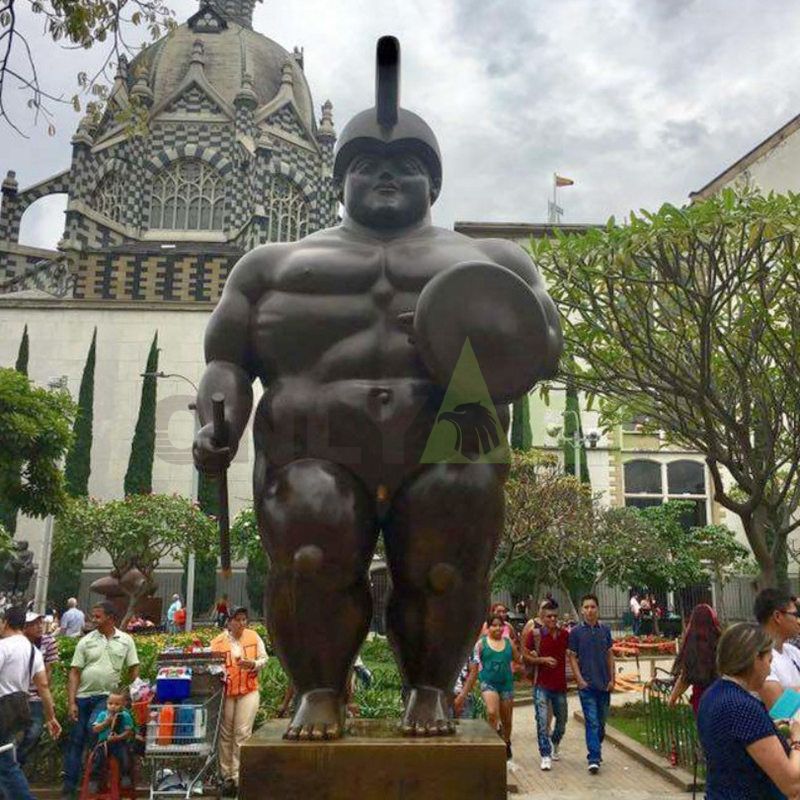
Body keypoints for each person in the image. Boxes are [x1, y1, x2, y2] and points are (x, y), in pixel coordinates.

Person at [192, 37, 562, 742]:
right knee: (309, 556)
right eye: (368, 165)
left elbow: (543, 342)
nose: (387, 177)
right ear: (339, 181)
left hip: (449, 440)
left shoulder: (492, 260)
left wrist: (475, 324)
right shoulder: (273, 264)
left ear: (435, 184)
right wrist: (219, 419)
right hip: (313, 446)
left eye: (405, 167)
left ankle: (429, 688)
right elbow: (226, 358)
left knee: (448, 569)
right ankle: (320, 691)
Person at [697, 622, 800, 799]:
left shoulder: (714, 693)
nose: (769, 670)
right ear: (755, 658)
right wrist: (798, 739)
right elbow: (791, 784)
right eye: (769, 661)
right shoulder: (740, 706)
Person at [62, 601, 140, 800]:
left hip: (106, 699)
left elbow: (133, 668)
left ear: (111, 618)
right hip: (82, 697)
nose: (92, 619)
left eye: (97, 616)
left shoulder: (126, 640)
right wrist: (71, 702)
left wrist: (127, 692)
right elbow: (74, 672)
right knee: (76, 741)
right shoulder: (86, 640)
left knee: (93, 728)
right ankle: (69, 788)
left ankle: (96, 778)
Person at [0, 606, 61, 800]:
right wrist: (51, 717)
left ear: (6, 622)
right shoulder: (33, 651)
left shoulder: (4, 647)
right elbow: (43, 685)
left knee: (6, 764)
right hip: (16, 710)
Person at [211, 607, 268, 797]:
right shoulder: (217, 642)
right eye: (238, 620)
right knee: (226, 733)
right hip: (227, 692)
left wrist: (253, 664)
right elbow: (211, 666)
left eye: (244, 620)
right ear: (229, 622)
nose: (242, 624)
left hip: (248, 690)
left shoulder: (253, 637)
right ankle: (226, 776)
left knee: (242, 732)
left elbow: (264, 658)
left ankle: (238, 776)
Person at [567, 593, 614, 774]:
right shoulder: (576, 632)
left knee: (601, 723)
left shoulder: (605, 631)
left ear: (598, 609)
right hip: (587, 686)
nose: (589, 610)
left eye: (592, 607)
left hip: (604, 685)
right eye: (586, 607)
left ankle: (596, 745)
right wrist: (579, 679)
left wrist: (612, 679)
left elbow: (610, 654)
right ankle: (593, 757)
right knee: (592, 722)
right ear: (581, 610)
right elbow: (571, 657)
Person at [523, 600, 569, 771]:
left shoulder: (564, 635)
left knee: (562, 720)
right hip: (541, 684)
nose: (552, 619)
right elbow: (525, 655)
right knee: (542, 721)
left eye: (555, 616)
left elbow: (572, 654)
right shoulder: (535, 635)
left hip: (560, 685)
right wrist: (541, 660)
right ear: (542, 617)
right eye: (549, 616)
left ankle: (556, 741)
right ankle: (545, 753)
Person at [17, 610, 59, 766]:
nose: (39, 627)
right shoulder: (15, 643)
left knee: (34, 732)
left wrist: (46, 696)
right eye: (33, 624)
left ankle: (16, 762)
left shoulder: (48, 642)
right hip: (15, 694)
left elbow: (48, 672)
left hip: (36, 695)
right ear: (24, 627)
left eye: (40, 623)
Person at [476, 612, 520, 760]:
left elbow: (517, 659)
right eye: (494, 625)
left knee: (507, 720)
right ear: (488, 628)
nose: (497, 628)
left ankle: (506, 742)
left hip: (506, 684)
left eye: (500, 625)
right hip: (488, 683)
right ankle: (492, 743)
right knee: (492, 712)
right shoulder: (482, 643)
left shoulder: (509, 643)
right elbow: (474, 663)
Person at [668, 603, 721, 715]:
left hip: (702, 701)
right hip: (723, 697)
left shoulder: (692, 647)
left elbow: (685, 677)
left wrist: (673, 698)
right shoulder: (722, 643)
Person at [754, 588, 800, 709]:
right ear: (777, 616)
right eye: (796, 614)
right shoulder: (759, 657)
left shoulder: (792, 651)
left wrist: (790, 693)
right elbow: (780, 710)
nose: (798, 621)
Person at [88, 688, 134, 793]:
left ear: (123, 704)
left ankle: (125, 775)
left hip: (119, 742)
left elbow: (129, 732)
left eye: (117, 704)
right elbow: (95, 729)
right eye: (110, 703)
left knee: (125, 755)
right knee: (98, 756)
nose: (113, 706)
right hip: (104, 742)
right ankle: (94, 780)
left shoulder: (125, 716)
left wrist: (118, 737)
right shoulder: (102, 715)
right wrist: (106, 722)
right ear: (106, 703)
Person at [452, 651, 479, 720]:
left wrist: (461, 697)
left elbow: (474, 671)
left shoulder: (469, 646)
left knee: (465, 728)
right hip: (442, 697)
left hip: (464, 696)